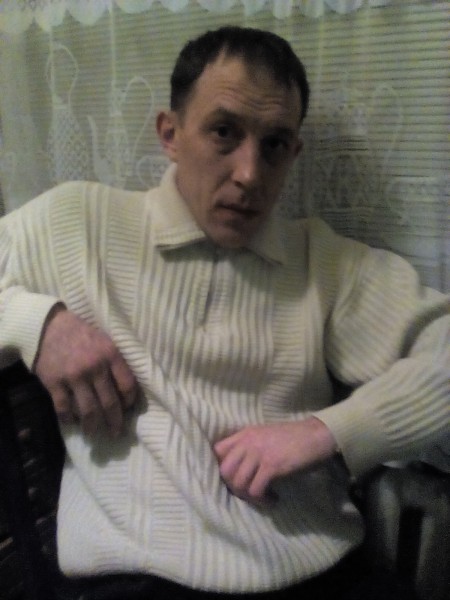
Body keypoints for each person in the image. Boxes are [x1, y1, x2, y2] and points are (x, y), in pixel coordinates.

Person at [0, 26, 448, 600]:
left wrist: (330, 431)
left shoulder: (325, 263)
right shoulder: (79, 224)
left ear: (294, 153)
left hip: (318, 570)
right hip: (136, 576)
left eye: (274, 144)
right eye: (223, 132)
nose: (249, 175)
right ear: (170, 133)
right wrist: (39, 325)